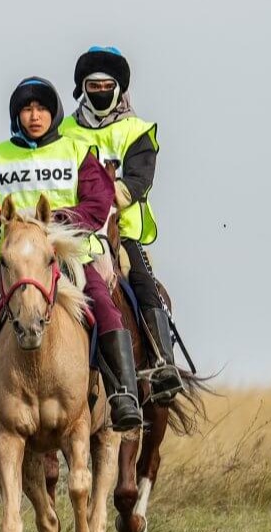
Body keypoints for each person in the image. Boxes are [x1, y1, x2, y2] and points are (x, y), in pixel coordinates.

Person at [0, 77, 143, 435]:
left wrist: (62, 222)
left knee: (104, 304)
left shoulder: (76, 151)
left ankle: (122, 394)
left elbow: (99, 202)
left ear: (54, 113)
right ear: (16, 114)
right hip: (16, 262)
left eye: (42, 109)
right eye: (27, 108)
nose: (34, 116)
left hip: (64, 257)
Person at [59, 46, 182, 401]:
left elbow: (138, 182)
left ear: (118, 88)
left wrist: (98, 196)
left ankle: (162, 363)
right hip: (73, 230)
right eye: (91, 86)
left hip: (121, 231)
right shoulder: (63, 131)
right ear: (82, 88)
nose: (98, 92)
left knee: (143, 283)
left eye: (105, 86)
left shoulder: (137, 131)